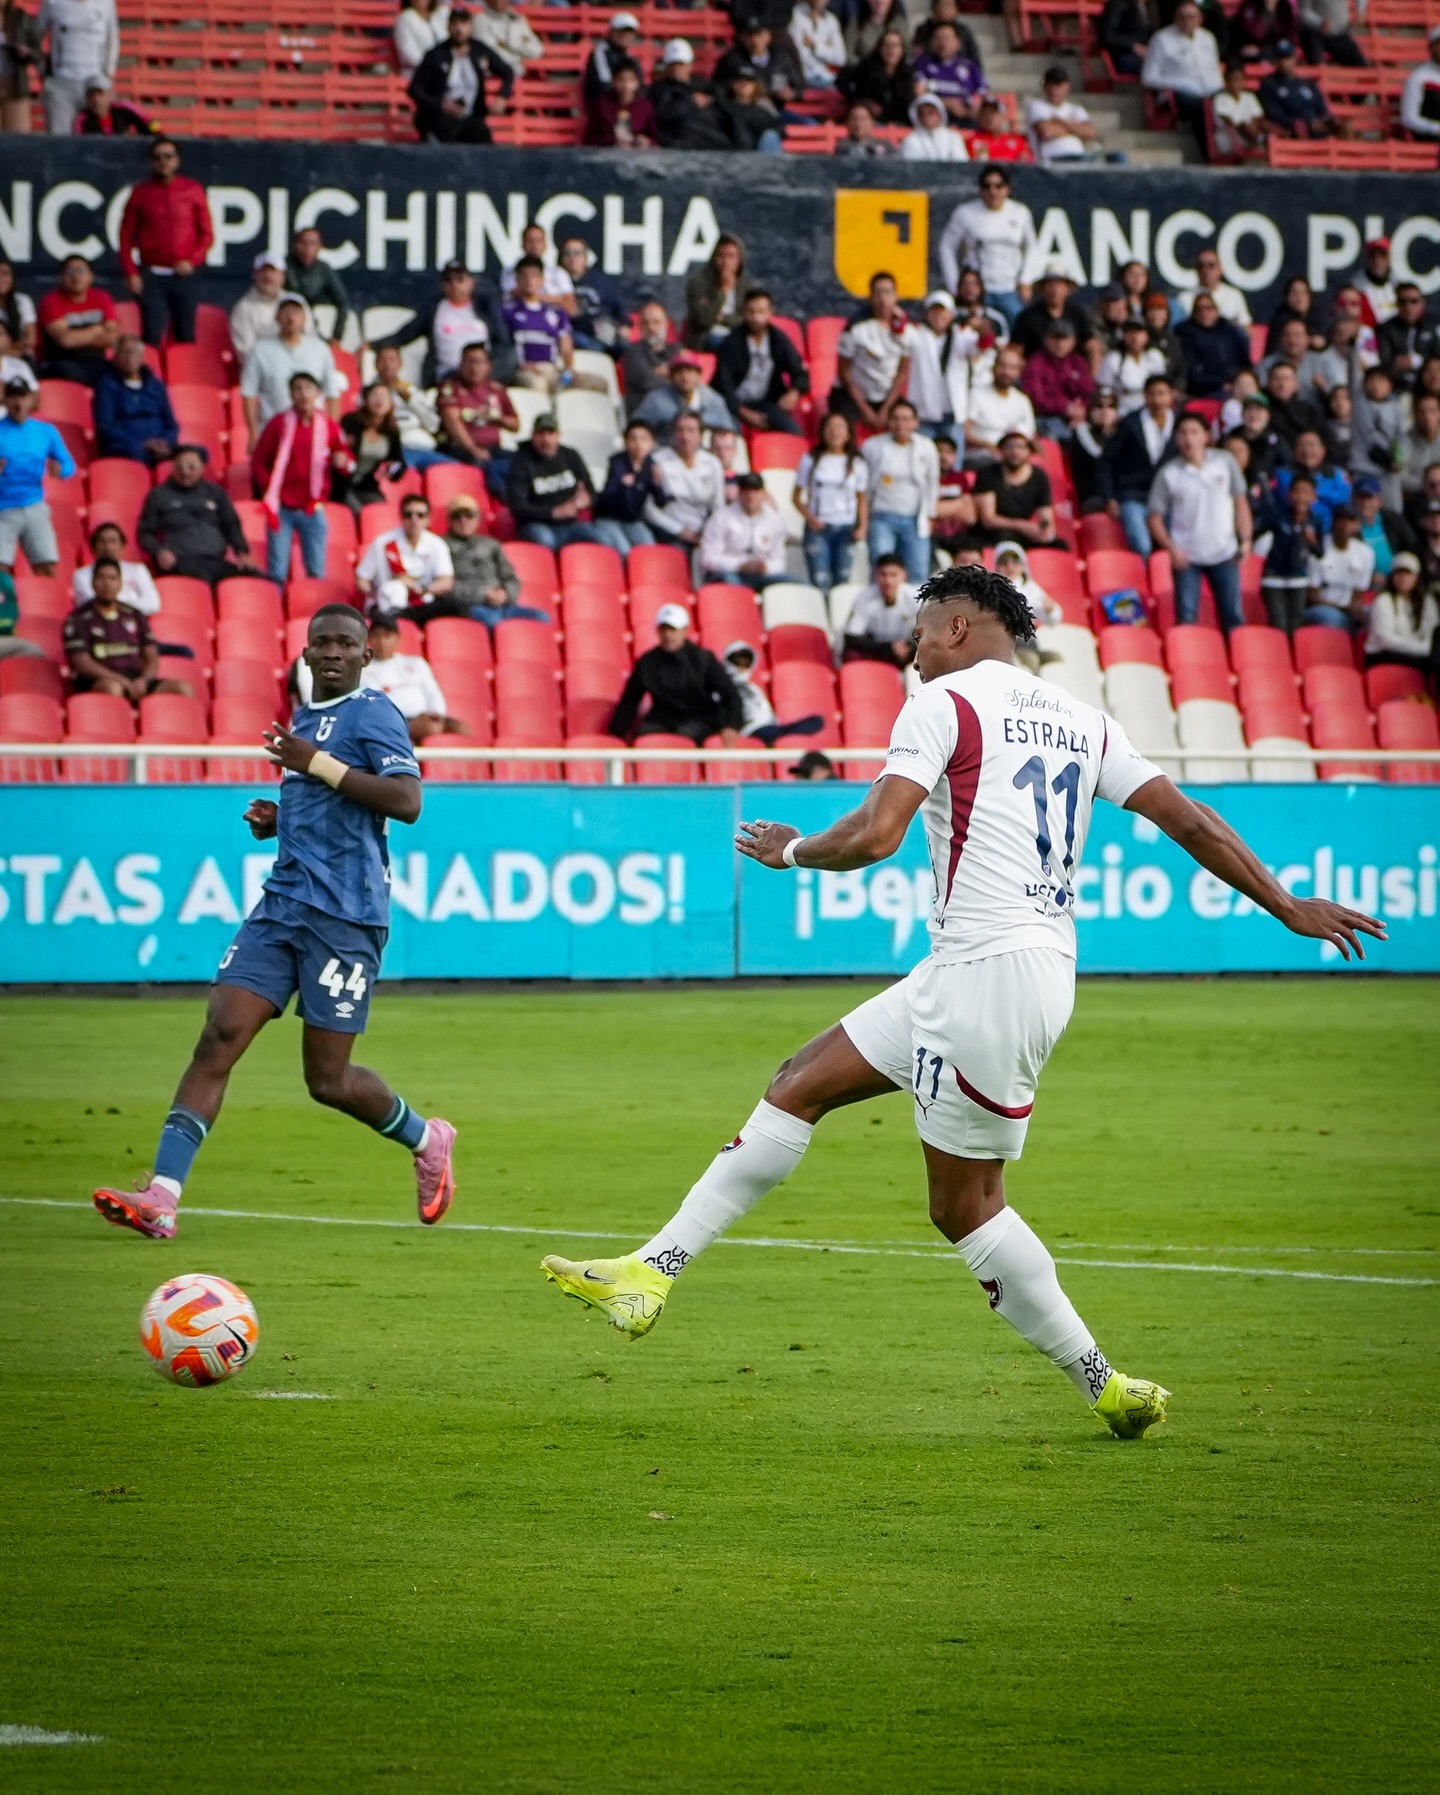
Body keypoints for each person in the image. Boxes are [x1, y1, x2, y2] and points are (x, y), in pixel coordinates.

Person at [539, 562, 1385, 1430]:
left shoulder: (944, 704)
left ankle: (1106, 1381)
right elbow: (1191, 819)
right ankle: (653, 1270)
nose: (908, 654)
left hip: (987, 973)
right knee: (799, 1081)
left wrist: (793, 853)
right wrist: (1287, 904)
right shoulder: (1085, 719)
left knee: (964, 1208)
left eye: (917, 634)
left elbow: (875, 834)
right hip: (996, 968)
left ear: (955, 628)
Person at [93, 603, 457, 1241]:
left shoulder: (372, 713)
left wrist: (311, 762)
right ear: (307, 653)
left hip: (346, 919)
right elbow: (329, 807)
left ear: (366, 657)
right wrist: (279, 820)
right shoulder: (303, 721)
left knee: (328, 1080)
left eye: (348, 644)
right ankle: (162, 1195)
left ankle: (427, 1138)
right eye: (324, 644)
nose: (335, 653)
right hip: (283, 904)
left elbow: (407, 802)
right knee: (220, 1035)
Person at [1147, 412, 1251, 628]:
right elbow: (1154, 516)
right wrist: (1171, 548)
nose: (1188, 439)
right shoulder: (1169, 473)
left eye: (1194, 432)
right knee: (1186, 617)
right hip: (1187, 556)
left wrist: (1246, 538)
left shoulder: (1225, 462)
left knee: (1232, 615)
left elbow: (1240, 502)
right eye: (1183, 433)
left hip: (1224, 552)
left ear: (1206, 436)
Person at [251, 372, 352, 586]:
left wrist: (342, 462)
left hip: (312, 508)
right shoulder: (279, 424)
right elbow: (258, 460)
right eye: (298, 388)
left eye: (308, 388)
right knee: (276, 572)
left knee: (316, 572)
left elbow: (345, 460)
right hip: (282, 508)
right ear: (291, 395)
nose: (303, 393)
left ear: (317, 393)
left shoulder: (329, 426)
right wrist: (269, 489)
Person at [117, 138, 212, 350]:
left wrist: (192, 261)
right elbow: (125, 237)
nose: (163, 162)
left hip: (184, 274)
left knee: (185, 333)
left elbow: (206, 234)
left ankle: (185, 380)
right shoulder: (140, 193)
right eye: (157, 157)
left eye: (168, 156)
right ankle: (152, 378)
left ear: (177, 161)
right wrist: (131, 272)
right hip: (151, 276)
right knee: (151, 332)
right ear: (150, 162)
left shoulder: (192, 190)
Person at [63, 555, 193, 700]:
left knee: (183, 689)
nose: (107, 584)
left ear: (120, 583)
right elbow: (81, 662)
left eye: (112, 578)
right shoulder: (78, 618)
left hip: (135, 678)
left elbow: (151, 655)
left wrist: (144, 680)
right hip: (98, 680)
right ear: (93, 583)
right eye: (101, 578)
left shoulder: (135, 615)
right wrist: (118, 679)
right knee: (113, 689)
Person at [609, 602, 742, 743]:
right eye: (663, 629)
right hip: (663, 719)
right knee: (644, 736)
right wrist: (615, 736)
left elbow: (730, 694)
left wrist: (732, 725)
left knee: (685, 736)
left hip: (700, 718)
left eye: (673, 630)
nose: (668, 635)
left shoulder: (703, 659)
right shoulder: (647, 663)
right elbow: (629, 701)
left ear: (685, 630)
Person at [370, 260, 511, 389]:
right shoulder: (434, 309)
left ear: (471, 282)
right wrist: (372, 345)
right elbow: (405, 335)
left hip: (481, 375)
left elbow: (502, 343)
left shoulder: (484, 309)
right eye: (449, 280)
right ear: (442, 285)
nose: (454, 285)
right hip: (447, 375)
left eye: (460, 279)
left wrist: (488, 369)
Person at [138, 444, 255, 587]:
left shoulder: (216, 493)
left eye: (191, 467)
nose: (185, 472)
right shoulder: (158, 495)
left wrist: (242, 551)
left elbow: (231, 524)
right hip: (181, 562)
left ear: (202, 469)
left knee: (256, 579)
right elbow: (144, 533)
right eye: (180, 467)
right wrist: (159, 552)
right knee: (200, 581)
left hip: (216, 561)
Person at [938, 168, 1036, 328]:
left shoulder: (1020, 212)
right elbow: (946, 247)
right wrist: (954, 285)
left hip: (1011, 289)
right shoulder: (965, 213)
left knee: (1020, 330)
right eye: (987, 186)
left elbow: (1032, 247)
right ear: (980, 189)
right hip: (979, 292)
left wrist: (1026, 279)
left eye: (998, 186)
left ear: (1007, 189)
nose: (993, 191)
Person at [0, 377, 76, 576]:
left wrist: (60, 470)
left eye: (22, 397)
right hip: (3, 508)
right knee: (0, 570)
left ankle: (50, 605)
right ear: (5, 401)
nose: (18, 403)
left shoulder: (46, 431)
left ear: (30, 399)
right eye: (13, 397)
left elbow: (69, 464)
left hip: (34, 504)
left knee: (46, 567)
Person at [241, 295, 346, 436]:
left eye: (296, 312)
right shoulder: (260, 350)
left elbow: (332, 393)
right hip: (273, 430)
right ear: (277, 317)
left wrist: (332, 432)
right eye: (286, 312)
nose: (291, 317)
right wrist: (253, 433)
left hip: (312, 431)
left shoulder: (320, 349)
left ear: (305, 318)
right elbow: (249, 394)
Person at [409, 4, 514, 144]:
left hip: (470, 119)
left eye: (463, 23)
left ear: (471, 27)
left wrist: (502, 96)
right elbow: (415, 90)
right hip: (440, 118)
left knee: (484, 141)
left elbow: (508, 72)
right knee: (445, 138)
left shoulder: (479, 51)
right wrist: (441, 105)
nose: (459, 29)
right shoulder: (435, 55)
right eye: (454, 23)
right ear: (448, 27)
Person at [862, 398, 939, 585]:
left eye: (906, 419)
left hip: (914, 518)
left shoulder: (926, 447)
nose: (901, 424)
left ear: (915, 422)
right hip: (882, 516)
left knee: (918, 572)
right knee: (881, 568)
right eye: (895, 418)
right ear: (889, 421)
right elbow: (863, 485)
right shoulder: (873, 446)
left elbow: (932, 482)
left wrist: (930, 514)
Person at [1100, 373, 1178, 555]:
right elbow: (1107, 461)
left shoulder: (1181, 424)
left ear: (1171, 395)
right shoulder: (1130, 423)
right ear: (1144, 396)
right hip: (1133, 495)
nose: (1157, 399)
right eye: (1152, 394)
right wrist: (1109, 497)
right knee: (1141, 545)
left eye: (1162, 393)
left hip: (1170, 498)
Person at [714, 288, 809, 437]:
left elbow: (801, 373)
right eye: (751, 312)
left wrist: (794, 392)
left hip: (765, 402)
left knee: (795, 434)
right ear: (744, 313)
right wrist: (743, 412)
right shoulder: (732, 342)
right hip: (733, 404)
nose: (756, 317)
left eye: (761, 312)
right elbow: (724, 385)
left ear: (770, 313)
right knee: (731, 438)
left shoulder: (778, 340)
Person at [356, 612, 463, 743]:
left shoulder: (416, 663)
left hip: (427, 717)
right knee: (429, 727)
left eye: (387, 636)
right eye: (377, 636)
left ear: (397, 638)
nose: (382, 642)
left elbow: (431, 691)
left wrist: (436, 714)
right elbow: (380, 704)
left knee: (462, 728)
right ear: (370, 640)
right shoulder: (365, 670)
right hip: (393, 723)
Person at [436, 491, 538, 628]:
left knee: (540, 618)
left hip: (503, 604)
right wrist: (484, 594)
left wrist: (505, 594)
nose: (463, 521)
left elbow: (510, 577)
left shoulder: (491, 545)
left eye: (469, 516)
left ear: (477, 519)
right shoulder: (440, 546)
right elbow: (445, 587)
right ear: (449, 520)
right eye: (457, 516)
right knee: (494, 622)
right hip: (470, 606)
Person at [794, 411, 868, 593]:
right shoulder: (810, 459)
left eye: (840, 427)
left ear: (848, 433)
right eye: (830, 427)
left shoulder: (857, 463)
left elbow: (861, 498)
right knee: (820, 579)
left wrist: (862, 526)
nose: (834, 432)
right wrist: (811, 519)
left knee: (842, 580)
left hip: (846, 528)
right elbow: (796, 496)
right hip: (819, 528)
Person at [504, 414, 602, 553]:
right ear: (532, 435)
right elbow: (518, 507)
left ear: (558, 435)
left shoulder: (571, 455)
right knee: (546, 541)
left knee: (595, 538)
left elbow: (591, 491)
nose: (546, 440)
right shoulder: (521, 462)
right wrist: (553, 513)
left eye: (551, 433)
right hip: (535, 524)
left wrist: (586, 500)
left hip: (569, 524)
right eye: (541, 434)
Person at [834, 271, 916, 431]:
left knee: (904, 421)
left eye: (888, 292)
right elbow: (844, 372)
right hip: (853, 395)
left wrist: (886, 408)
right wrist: (865, 410)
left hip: (886, 397)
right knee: (842, 427)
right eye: (878, 293)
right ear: (871, 297)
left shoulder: (908, 331)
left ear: (896, 296)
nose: (883, 299)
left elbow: (902, 372)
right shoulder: (855, 328)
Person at [354, 493, 455, 617]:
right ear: (401, 517)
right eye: (408, 515)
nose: (414, 520)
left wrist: (423, 589)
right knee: (396, 588)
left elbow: (446, 581)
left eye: (420, 515)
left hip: (421, 604)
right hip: (385, 606)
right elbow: (361, 579)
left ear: (428, 519)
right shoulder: (382, 543)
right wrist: (377, 594)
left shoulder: (437, 544)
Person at [1142, 0, 1223, 143]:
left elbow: (1215, 70)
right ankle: (1208, 153)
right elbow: (1149, 77)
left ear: (1200, 19)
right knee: (1201, 111)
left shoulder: (1208, 38)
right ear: (1175, 18)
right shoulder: (1161, 39)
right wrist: (1181, 84)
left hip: (1210, 90)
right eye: (1182, 17)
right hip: (1178, 92)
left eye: (1191, 17)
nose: (1186, 21)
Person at [644, 412, 728, 550]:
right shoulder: (657, 461)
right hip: (669, 531)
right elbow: (648, 508)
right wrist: (678, 530)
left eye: (691, 431)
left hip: (704, 531)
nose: (685, 437)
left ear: (700, 436)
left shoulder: (712, 463)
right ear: (673, 434)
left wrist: (708, 531)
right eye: (680, 430)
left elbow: (718, 505)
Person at [92, 333, 177, 465]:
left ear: (142, 357)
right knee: (137, 454)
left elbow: (171, 425)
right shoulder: (107, 385)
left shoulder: (157, 386)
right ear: (115, 358)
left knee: (194, 454)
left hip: (160, 446)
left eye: (134, 353)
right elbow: (105, 427)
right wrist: (142, 444)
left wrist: (165, 442)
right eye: (124, 353)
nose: (129, 358)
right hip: (126, 447)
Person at [721, 639, 826, 746]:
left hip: (770, 726)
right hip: (750, 730)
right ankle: (787, 732)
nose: (742, 667)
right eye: (737, 662)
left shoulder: (754, 688)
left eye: (746, 663)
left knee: (817, 721)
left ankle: (787, 733)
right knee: (777, 732)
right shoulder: (723, 687)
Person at [434, 340, 517, 473]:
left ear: (488, 366)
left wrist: (497, 418)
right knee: (483, 465)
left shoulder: (496, 389)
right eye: (469, 362)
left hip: (493, 448)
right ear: (461, 364)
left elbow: (515, 425)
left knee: (521, 462)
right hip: (460, 449)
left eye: (479, 362)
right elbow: (452, 422)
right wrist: (473, 449)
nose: (474, 368)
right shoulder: (450, 388)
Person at [697, 471, 788, 590]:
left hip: (761, 575)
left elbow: (779, 560)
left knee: (797, 585)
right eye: (746, 491)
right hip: (729, 572)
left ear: (764, 494)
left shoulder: (775, 520)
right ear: (739, 493)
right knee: (734, 585)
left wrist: (766, 567)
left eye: (755, 491)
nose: (751, 496)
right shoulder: (722, 517)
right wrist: (739, 565)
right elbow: (707, 558)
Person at [37, 0, 116, 135]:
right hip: (61, 82)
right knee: (59, 139)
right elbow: (35, 35)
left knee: (96, 137)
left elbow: (112, 39)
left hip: (95, 84)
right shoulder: (52, 3)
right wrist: (42, 70)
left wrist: (109, 73)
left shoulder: (106, 3)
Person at [37, 252, 116, 385]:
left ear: (91, 276)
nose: (76, 276)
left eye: (81, 271)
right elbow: (65, 341)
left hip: (96, 360)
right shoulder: (50, 301)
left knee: (121, 374)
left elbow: (112, 338)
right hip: (61, 361)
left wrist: (76, 337)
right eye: (70, 271)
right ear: (61, 277)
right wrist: (98, 329)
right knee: (72, 374)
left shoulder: (102, 298)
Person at [592, 419, 665, 558]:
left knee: (648, 550)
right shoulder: (617, 462)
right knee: (625, 552)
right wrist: (623, 487)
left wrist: (657, 484)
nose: (638, 444)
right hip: (609, 519)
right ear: (626, 442)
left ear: (652, 443)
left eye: (644, 439)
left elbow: (661, 502)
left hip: (632, 521)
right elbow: (607, 497)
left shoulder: (651, 465)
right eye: (633, 439)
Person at [1259, 470, 1321, 632]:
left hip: (1298, 578)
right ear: (1289, 495)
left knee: (1295, 624)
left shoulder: (1316, 521)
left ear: (1314, 497)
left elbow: (1320, 552)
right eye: (1296, 492)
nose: (1301, 497)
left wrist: (1312, 541)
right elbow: (1258, 531)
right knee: (1278, 623)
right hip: (1274, 577)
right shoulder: (1278, 515)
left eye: (1306, 493)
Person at [973, 430, 1056, 547]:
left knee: (1057, 545)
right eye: (1009, 447)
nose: (1015, 452)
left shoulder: (1039, 476)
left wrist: (1044, 529)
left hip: (1024, 533)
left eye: (1021, 447)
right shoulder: (988, 474)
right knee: (1005, 538)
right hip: (995, 532)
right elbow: (988, 520)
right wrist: (1023, 525)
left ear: (1029, 451)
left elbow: (1046, 514)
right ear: (1001, 450)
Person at [906, 291, 973, 435]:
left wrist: (982, 328)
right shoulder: (916, 334)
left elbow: (979, 346)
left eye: (942, 312)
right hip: (923, 413)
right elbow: (900, 337)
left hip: (952, 413)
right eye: (933, 311)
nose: (938, 316)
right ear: (927, 313)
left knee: (951, 457)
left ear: (951, 314)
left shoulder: (961, 334)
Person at [631, 354, 737, 443]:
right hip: (666, 456)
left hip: (706, 458)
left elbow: (728, 432)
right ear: (671, 377)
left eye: (690, 371)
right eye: (679, 371)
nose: (685, 376)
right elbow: (636, 429)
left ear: (699, 375)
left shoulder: (713, 399)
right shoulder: (656, 400)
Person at [337, 381, 407, 514]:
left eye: (384, 396)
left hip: (366, 486)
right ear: (365, 400)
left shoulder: (392, 431)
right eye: (375, 395)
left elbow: (400, 463)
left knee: (381, 513)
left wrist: (392, 469)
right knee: (360, 514)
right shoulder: (351, 422)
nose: (379, 400)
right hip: (341, 484)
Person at [651, 37, 732, 149]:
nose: (676, 69)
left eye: (681, 64)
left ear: (690, 64)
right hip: (678, 142)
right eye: (672, 65)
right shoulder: (659, 89)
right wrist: (690, 102)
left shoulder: (706, 87)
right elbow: (660, 115)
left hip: (710, 141)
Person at [1020, 319, 1095, 441]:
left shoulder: (1078, 362)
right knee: (1060, 435)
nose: (1060, 344)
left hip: (1079, 416)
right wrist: (1065, 407)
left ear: (1073, 341)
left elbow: (1088, 390)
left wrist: (1081, 409)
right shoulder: (1036, 363)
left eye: (1065, 339)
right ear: (1046, 339)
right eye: (1055, 338)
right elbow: (1035, 399)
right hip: (1047, 417)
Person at [1303, 505, 1374, 630]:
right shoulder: (1319, 548)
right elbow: (1312, 596)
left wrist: (1355, 610)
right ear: (1333, 523)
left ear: (1357, 525)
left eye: (1351, 521)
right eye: (1341, 520)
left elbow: (1358, 594)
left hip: (1348, 609)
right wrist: (1344, 608)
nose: (1346, 525)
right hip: (1321, 608)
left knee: (1374, 618)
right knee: (1332, 619)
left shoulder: (1366, 553)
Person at [372, 344, 444, 466]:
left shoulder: (411, 391)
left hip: (423, 447)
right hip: (395, 450)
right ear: (376, 365)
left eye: (392, 360)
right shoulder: (370, 393)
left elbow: (433, 424)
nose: (387, 365)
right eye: (383, 360)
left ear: (400, 364)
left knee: (455, 469)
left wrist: (411, 401)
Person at [1364, 553, 1436, 675]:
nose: (1403, 578)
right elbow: (1385, 640)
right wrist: (1422, 649)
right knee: (1422, 665)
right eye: (1398, 573)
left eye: (1407, 574)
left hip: (1416, 653)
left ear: (1416, 577)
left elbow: (1432, 631)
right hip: (1383, 654)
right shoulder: (1384, 600)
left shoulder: (1426, 601)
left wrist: (1426, 649)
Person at [965, 344, 1037, 462]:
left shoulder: (1022, 400)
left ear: (1019, 372)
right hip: (982, 455)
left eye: (1012, 367)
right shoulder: (976, 394)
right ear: (993, 367)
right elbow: (964, 433)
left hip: (1013, 455)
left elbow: (1031, 435)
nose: (1007, 372)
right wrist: (988, 445)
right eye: (1002, 366)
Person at [841, 553, 919, 663]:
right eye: (883, 575)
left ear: (903, 576)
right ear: (875, 575)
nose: (888, 581)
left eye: (893, 575)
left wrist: (910, 648)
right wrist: (888, 647)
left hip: (907, 650)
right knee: (851, 654)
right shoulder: (864, 598)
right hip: (876, 649)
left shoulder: (916, 598)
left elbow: (930, 633)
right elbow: (851, 636)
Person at [1010, 264, 1094, 365]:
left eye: (1059, 284)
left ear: (1068, 289)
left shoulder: (1077, 315)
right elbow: (1015, 351)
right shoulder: (1027, 317)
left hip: (1072, 375)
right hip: (1037, 375)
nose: (1055, 290)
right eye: (1050, 284)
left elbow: (1093, 348)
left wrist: (1091, 378)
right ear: (1042, 289)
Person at [1260, 39, 1345, 137]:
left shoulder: (1308, 83)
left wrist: (1326, 120)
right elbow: (1275, 113)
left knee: (1343, 126)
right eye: (1281, 58)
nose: (1284, 62)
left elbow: (1321, 108)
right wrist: (1305, 123)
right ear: (1275, 61)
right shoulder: (1270, 84)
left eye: (1288, 58)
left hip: (1317, 124)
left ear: (1294, 58)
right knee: (1300, 128)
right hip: (1294, 129)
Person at [715, 19, 804, 112]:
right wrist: (736, 90)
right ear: (742, 38)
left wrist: (793, 93)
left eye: (759, 35)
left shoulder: (782, 58)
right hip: (743, 111)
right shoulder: (732, 60)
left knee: (807, 123)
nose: (755, 40)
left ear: (768, 36)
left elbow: (799, 83)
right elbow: (718, 86)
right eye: (750, 36)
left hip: (778, 109)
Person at [685, 235, 755, 352]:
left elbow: (748, 320)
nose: (725, 262)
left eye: (731, 256)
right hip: (707, 338)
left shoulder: (746, 287)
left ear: (739, 260)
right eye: (720, 256)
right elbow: (704, 319)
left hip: (739, 336)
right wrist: (722, 290)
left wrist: (723, 319)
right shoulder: (698, 283)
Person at [72, 521, 161, 614]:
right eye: (102, 542)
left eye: (113, 541)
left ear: (122, 546)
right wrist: (131, 600)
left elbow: (152, 604)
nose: (108, 547)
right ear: (93, 548)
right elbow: (95, 605)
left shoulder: (138, 570)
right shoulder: (81, 575)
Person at [1272, 427, 1351, 530]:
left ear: (1322, 450)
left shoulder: (1336, 473)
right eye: (1302, 445)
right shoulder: (1283, 473)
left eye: (1311, 445)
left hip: (1330, 530)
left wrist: (1316, 491)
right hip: (1292, 528)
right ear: (1295, 450)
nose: (1307, 451)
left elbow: (1344, 497)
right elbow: (1291, 496)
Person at [1175, 292, 1250, 399]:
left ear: (1216, 310)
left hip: (1236, 383)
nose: (1204, 313)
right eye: (1199, 309)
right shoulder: (1186, 333)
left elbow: (1245, 363)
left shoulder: (1230, 331)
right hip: (1208, 390)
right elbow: (1193, 374)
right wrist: (1221, 384)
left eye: (1209, 308)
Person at [286, 227, 352, 345]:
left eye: (312, 243)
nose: (307, 248)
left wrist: (337, 336)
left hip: (310, 327)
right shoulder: (283, 266)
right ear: (294, 245)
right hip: (283, 326)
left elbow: (343, 303)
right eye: (303, 243)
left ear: (320, 247)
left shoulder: (324, 270)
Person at [910, 20, 985, 122]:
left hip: (966, 118)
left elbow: (982, 93)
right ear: (931, 42)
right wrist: (947, 104)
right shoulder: (922, 64)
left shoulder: (970, 67)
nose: (942, 42)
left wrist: (971, 108)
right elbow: (919, 93)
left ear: (958, 43)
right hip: (933, 118)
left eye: (947, 38)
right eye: (937, 38)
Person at [838, 25, 914, 124]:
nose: (891, 50)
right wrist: (862, 103)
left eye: (895, 45)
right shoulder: (867, 66)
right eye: (887, 45)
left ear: (902, 50)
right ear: (880, 48)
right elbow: (841, 80)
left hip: (899, 122)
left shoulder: (907, 72)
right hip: (871, 122)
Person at [1027, 64, 1103, 162]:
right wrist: (1076, 129)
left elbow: (1091, 132)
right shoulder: (1037, 106)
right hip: (1052, 159)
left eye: (1058, 85)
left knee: (1117, 157)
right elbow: (1047, 132)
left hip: (1078, 157)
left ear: (1067, 87)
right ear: (1044, 87)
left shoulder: (1076, 109)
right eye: (1051, 85)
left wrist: (1062, 122)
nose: (1054, 90)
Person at [228, 253, 289, 369]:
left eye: (273, 272)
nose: (268, 277)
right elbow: (245, 353)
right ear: (255, 275)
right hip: (263, 375)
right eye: (263, 271)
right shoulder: (243, 309)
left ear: (283, 276)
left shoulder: (296, 304)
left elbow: (311, 340)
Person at [1099, 316, 1168, 416]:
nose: (1135, 337)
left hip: (1152, 407)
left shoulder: (1155, 356)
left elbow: (1161, 386)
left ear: (1147, 335)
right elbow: (1105, 390)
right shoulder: (1113, 359)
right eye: (1130, 332)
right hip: (1124, 410)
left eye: (1139, 332)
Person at [1067, 388, 1121, 514]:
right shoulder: (1081, 433)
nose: (1105, 411)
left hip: (1120, 495)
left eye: (1111, 407)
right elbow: (1098, 462)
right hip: (1093, 496)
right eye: (1099, 406)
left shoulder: (1122, 433)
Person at [1376, 285, 1439, 395]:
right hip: (1396, 389)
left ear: (1422, 303)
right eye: (1403, 302)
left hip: (1428, 390)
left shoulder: (1433, 326)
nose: (1408, 306)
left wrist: (1418, 361)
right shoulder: (1386, 329)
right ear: (1397, 304)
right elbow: (1382, 361)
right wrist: (1395, 364)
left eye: (1414, 301)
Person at [621, 302, 679, 417]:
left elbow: (690, 379)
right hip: (645, 414)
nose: (651, 328)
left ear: (666, 324)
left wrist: (668, 373)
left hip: (676, 414)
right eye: (645, 323)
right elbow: (648, 382)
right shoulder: (633, 352)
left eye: (656, 322)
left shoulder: (677, 350)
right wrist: (674, 377)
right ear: (640, 327)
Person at [584, 61, 658, 146]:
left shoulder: (645, 106)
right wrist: (612, 141)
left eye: (631, 80)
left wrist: (645, 141)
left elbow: (654, 138)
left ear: (638, 82)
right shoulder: (601, 104)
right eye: (620, 79)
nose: (625, 85)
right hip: (607, 154)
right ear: (613, 81)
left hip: (637, 155)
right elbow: (589, 138)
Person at [716, 63, 786, 152]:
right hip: (731, 154)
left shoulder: (761, 109)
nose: (743, 84)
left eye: (748, 81)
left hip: (759, 154)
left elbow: (778, 128)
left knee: (770, 136)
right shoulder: (722, 108)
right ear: (732, 83)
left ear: (755, 85)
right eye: (739, 80)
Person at [1176, 246, 1251, 326]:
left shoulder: (1234, 295)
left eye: (1211, 265)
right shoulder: (1184, 298)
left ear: (1220, 269)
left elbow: (1246, 328)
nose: (1205, 270)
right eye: (1201, 266)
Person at [583, 9, 642, 105]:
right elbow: (603, 85)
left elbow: (639, 85)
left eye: (629, 33)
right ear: (612, 32)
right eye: (621, 32)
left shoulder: (630, 57)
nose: (625, 36)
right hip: (605, 107)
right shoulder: (600, 53)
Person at [1210, 60, 1267, 160]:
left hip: (1251, 134)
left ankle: (1267, 141)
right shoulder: (1220, 98)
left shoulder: (1250, 97)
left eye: (1239, 80)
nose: (1236, 83)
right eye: (1233, 80)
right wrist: (1245, 126)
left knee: (1264, 125)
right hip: (1229, 136)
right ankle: (1261, 141)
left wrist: (1251, 127)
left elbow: (1257, 117)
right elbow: (1228, 120)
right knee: (1244, 126)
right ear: (1227, 81)